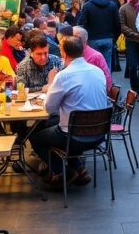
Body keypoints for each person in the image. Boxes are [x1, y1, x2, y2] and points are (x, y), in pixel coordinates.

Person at [29, 35, 108, 189]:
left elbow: (49, 108)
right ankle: (79, 168)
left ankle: (61, 172)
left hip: (72, 137)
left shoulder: (63, 76)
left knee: (35, 137)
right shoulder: (98, 72)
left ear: (63, 53)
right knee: (54, 127)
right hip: (99, 134)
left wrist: (52, 84)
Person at [77, 0, 120, 72]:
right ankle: (107, 84)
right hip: (108, 38)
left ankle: (96, 84)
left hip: (92, 39)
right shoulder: (112, 5)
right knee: (107, 66)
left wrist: (85, 39)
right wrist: (114, 38)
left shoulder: (87, 6)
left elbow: (82, 24)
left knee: (93, 66)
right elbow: (117, 24)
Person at [119, 0, 139, 102]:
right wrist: (135, 34)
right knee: (132, 66)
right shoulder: (123, 8)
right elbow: (122, 26)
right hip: (131, 41)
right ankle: (134, 89)